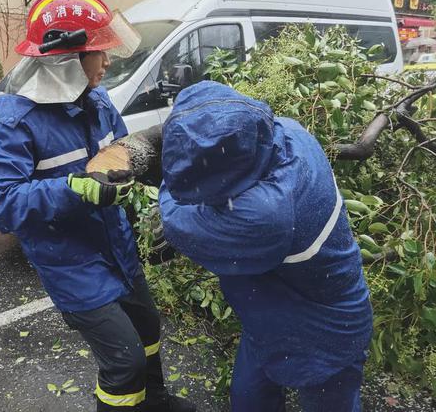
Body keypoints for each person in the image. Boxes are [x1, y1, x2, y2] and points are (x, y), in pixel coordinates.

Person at [0, 0, 195, 412]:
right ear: (64, 60)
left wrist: (165, 204)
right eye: (99, 53)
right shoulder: (15, 122)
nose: (108, 62)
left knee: (147, 327)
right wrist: (74, 189)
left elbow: (126, 158)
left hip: (117, 246)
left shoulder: (97, 101)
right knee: (124, 359)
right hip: (70, 263)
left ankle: (156, 403)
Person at [158, 81, 373, 412]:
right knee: (249, 398)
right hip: (271, 315)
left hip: (325, 328)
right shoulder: (285, 130)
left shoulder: (265, 214)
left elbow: (176, 218)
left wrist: (172, 173)